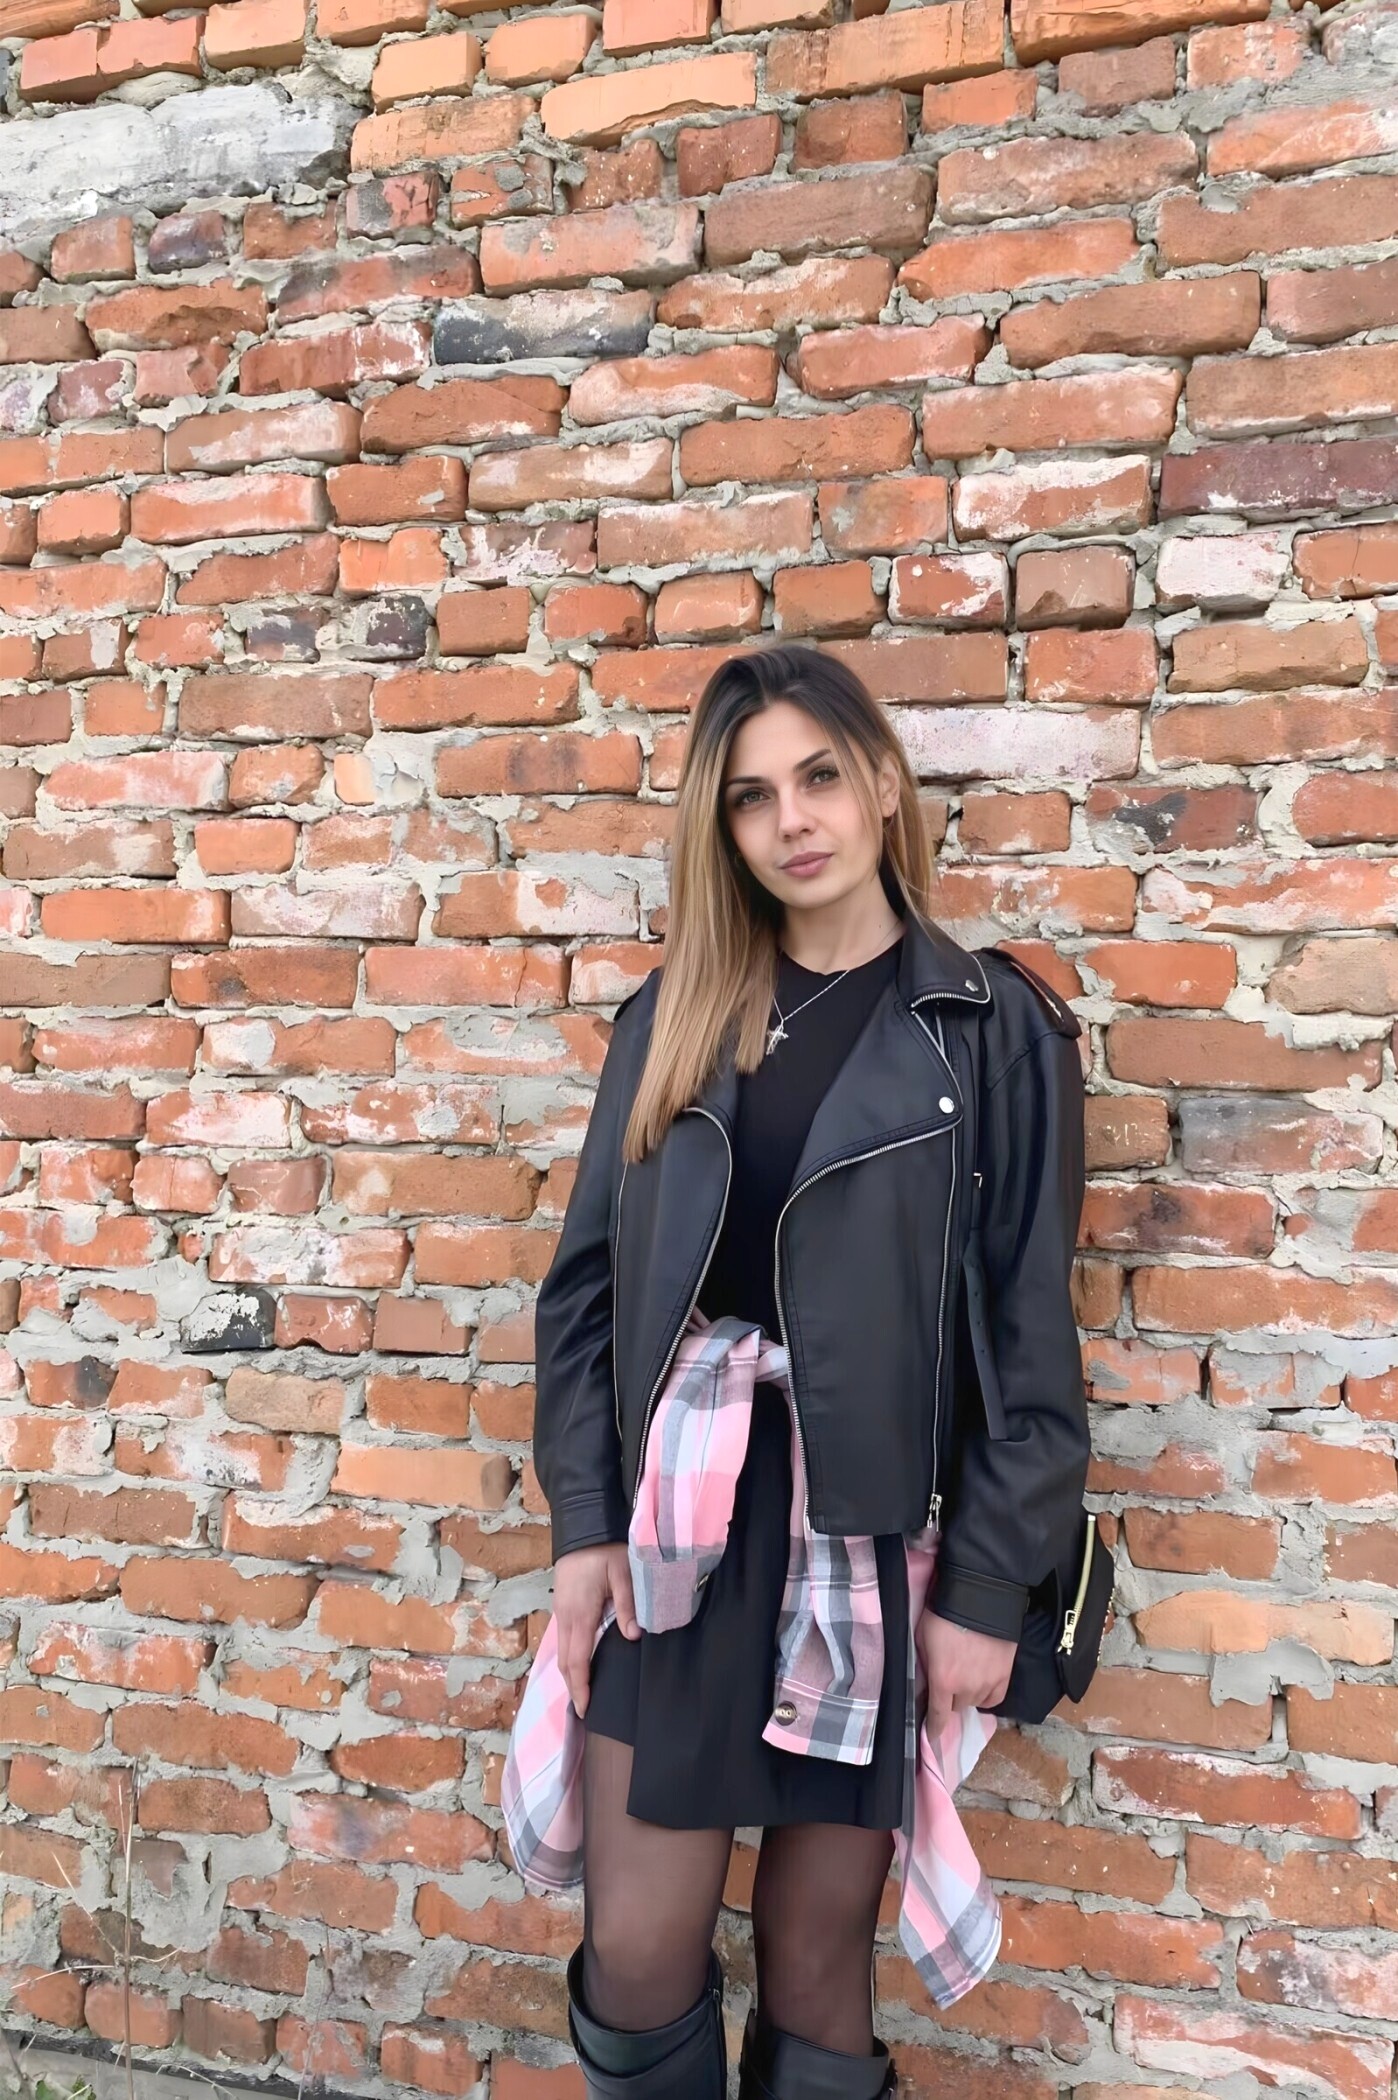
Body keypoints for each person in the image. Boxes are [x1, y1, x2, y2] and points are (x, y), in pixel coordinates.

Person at [526, 643, 1091, 2098]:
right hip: (682, 1531)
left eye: (821, 776)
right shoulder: (674, 1017)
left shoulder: (994, 1034)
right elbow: (586, 1293)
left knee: (816, 1954)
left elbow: (1028, 1334)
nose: (793, 820)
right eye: (750, 796)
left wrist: (985, 1591)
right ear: (720, 827)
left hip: (868, 1532)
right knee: (637, 1946)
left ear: (884, 784)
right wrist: (583, 1526)